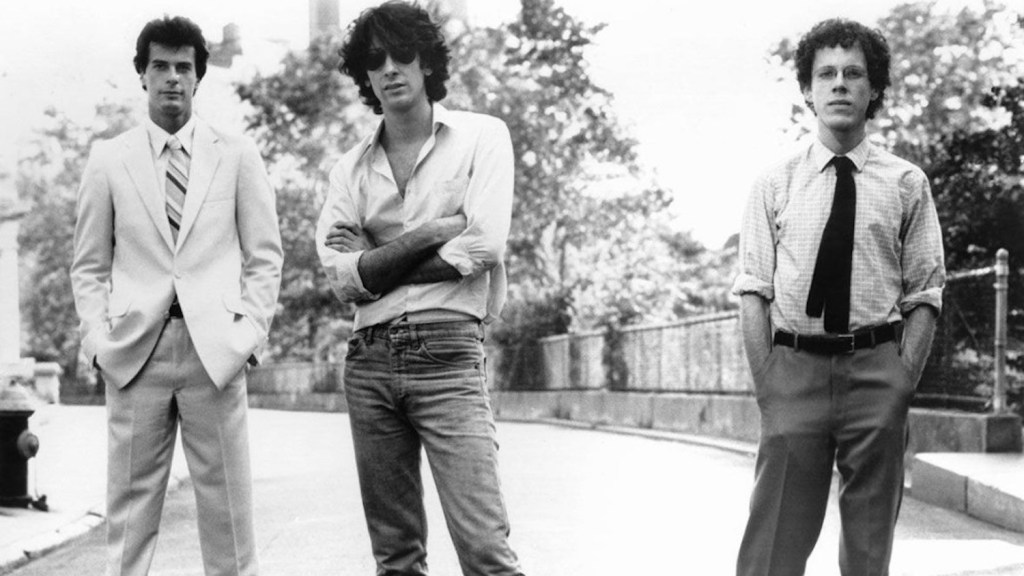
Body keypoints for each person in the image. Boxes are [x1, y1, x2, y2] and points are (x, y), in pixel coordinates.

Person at [315, 2, 524, 575]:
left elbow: (484, 246)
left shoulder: (482, 136)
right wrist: (432, 234)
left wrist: (378, 259)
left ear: (427, 61)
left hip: (448, 353)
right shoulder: (348, 170)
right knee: (396, 558)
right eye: (375, 59)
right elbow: (343, 278)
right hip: (369, 361)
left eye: (402, 54)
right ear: (364, 75)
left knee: (485, 550)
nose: (389, 68)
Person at [70, 15, 282, 576]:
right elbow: (88, 266)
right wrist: (97, 342)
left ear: (198, 77)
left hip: (215, 355)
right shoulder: (108, 159)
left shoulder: (236, 156)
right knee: (129, 521)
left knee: (230, 518)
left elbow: (265, 257)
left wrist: (248, 335)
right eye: (160, 66)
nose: (172, 78)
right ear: (142, 74)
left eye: (183, 67)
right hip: (134, 354)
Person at [732, 18, 945, 576]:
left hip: (877, 371)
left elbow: (926, 293)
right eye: (825, 74)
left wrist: (901, 379)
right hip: (793, 371)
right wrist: (768, 381)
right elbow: (753, 290)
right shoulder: (774, 183)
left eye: (854, 73)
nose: (840, 84)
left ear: (874, 89)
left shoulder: (906, 183)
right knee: (774, 543)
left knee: (869, 549)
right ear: (807, 90)